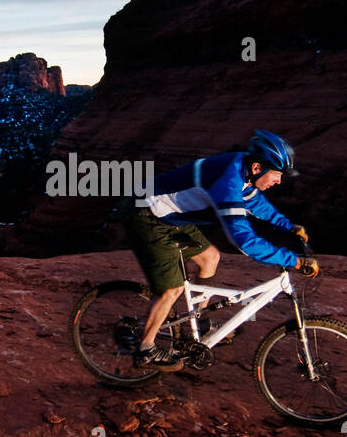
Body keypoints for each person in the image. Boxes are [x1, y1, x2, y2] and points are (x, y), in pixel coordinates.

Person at [122, 130, 319, 372]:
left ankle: (200, 323)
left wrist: (288, 226)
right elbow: (244, 241)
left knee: (210, 258)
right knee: (171, 289)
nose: (279, 181)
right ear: (258, 167)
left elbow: (254, 201)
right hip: (147, 215)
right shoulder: (227, 181)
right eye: (277, 175)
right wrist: (293, 261)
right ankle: (146, 349)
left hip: (172, 218)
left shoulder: (243, 167)